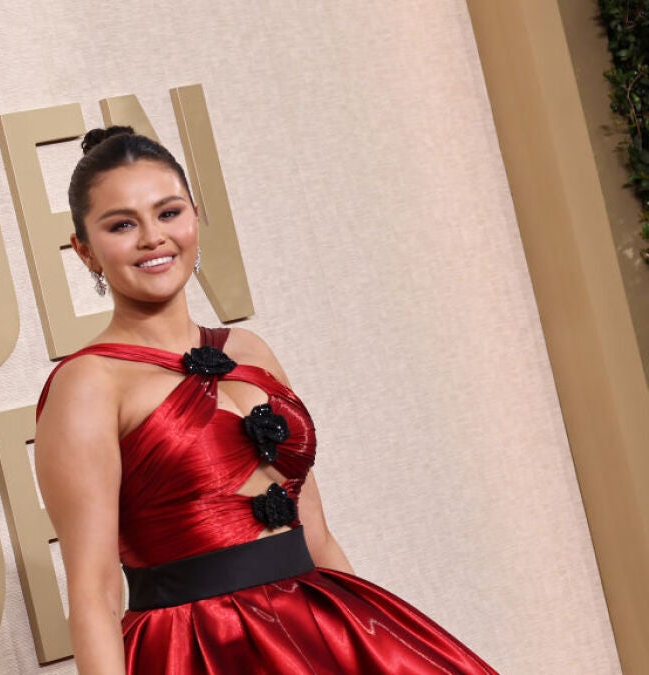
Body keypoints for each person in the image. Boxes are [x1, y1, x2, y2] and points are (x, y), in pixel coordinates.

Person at [34, 126, 497, 674]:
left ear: (195, 218)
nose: (153, 238)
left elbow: (316, 536)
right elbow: (95, 592)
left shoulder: (249, 349)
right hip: (202, 649)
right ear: (85, 251)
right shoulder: (88, 384)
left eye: (168, 213)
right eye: (122, 225)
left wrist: (367, 644)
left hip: (316, 627)